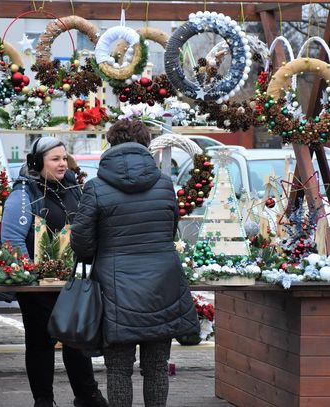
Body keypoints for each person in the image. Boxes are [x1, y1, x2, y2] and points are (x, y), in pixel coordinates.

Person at [70, 119, 200, 407]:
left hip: (115, 288)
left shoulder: (95, 188)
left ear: (111, 144)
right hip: (163, 287)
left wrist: (98, 255)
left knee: (118, 370)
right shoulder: (165, 186)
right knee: (156, 367)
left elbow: (81, 241)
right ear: (146, 145)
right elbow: (170, 230)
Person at [1, 137, 108, 407]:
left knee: (77, 338)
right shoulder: (23, 193)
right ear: (38, 163)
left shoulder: (74, 187)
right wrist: (30, 277)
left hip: (74, 281)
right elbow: (12, 238)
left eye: (64, 158)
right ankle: (44, 400)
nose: (62, 164)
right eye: (55, 159)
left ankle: (87, 395)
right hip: (39, 285)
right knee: (39, 343)